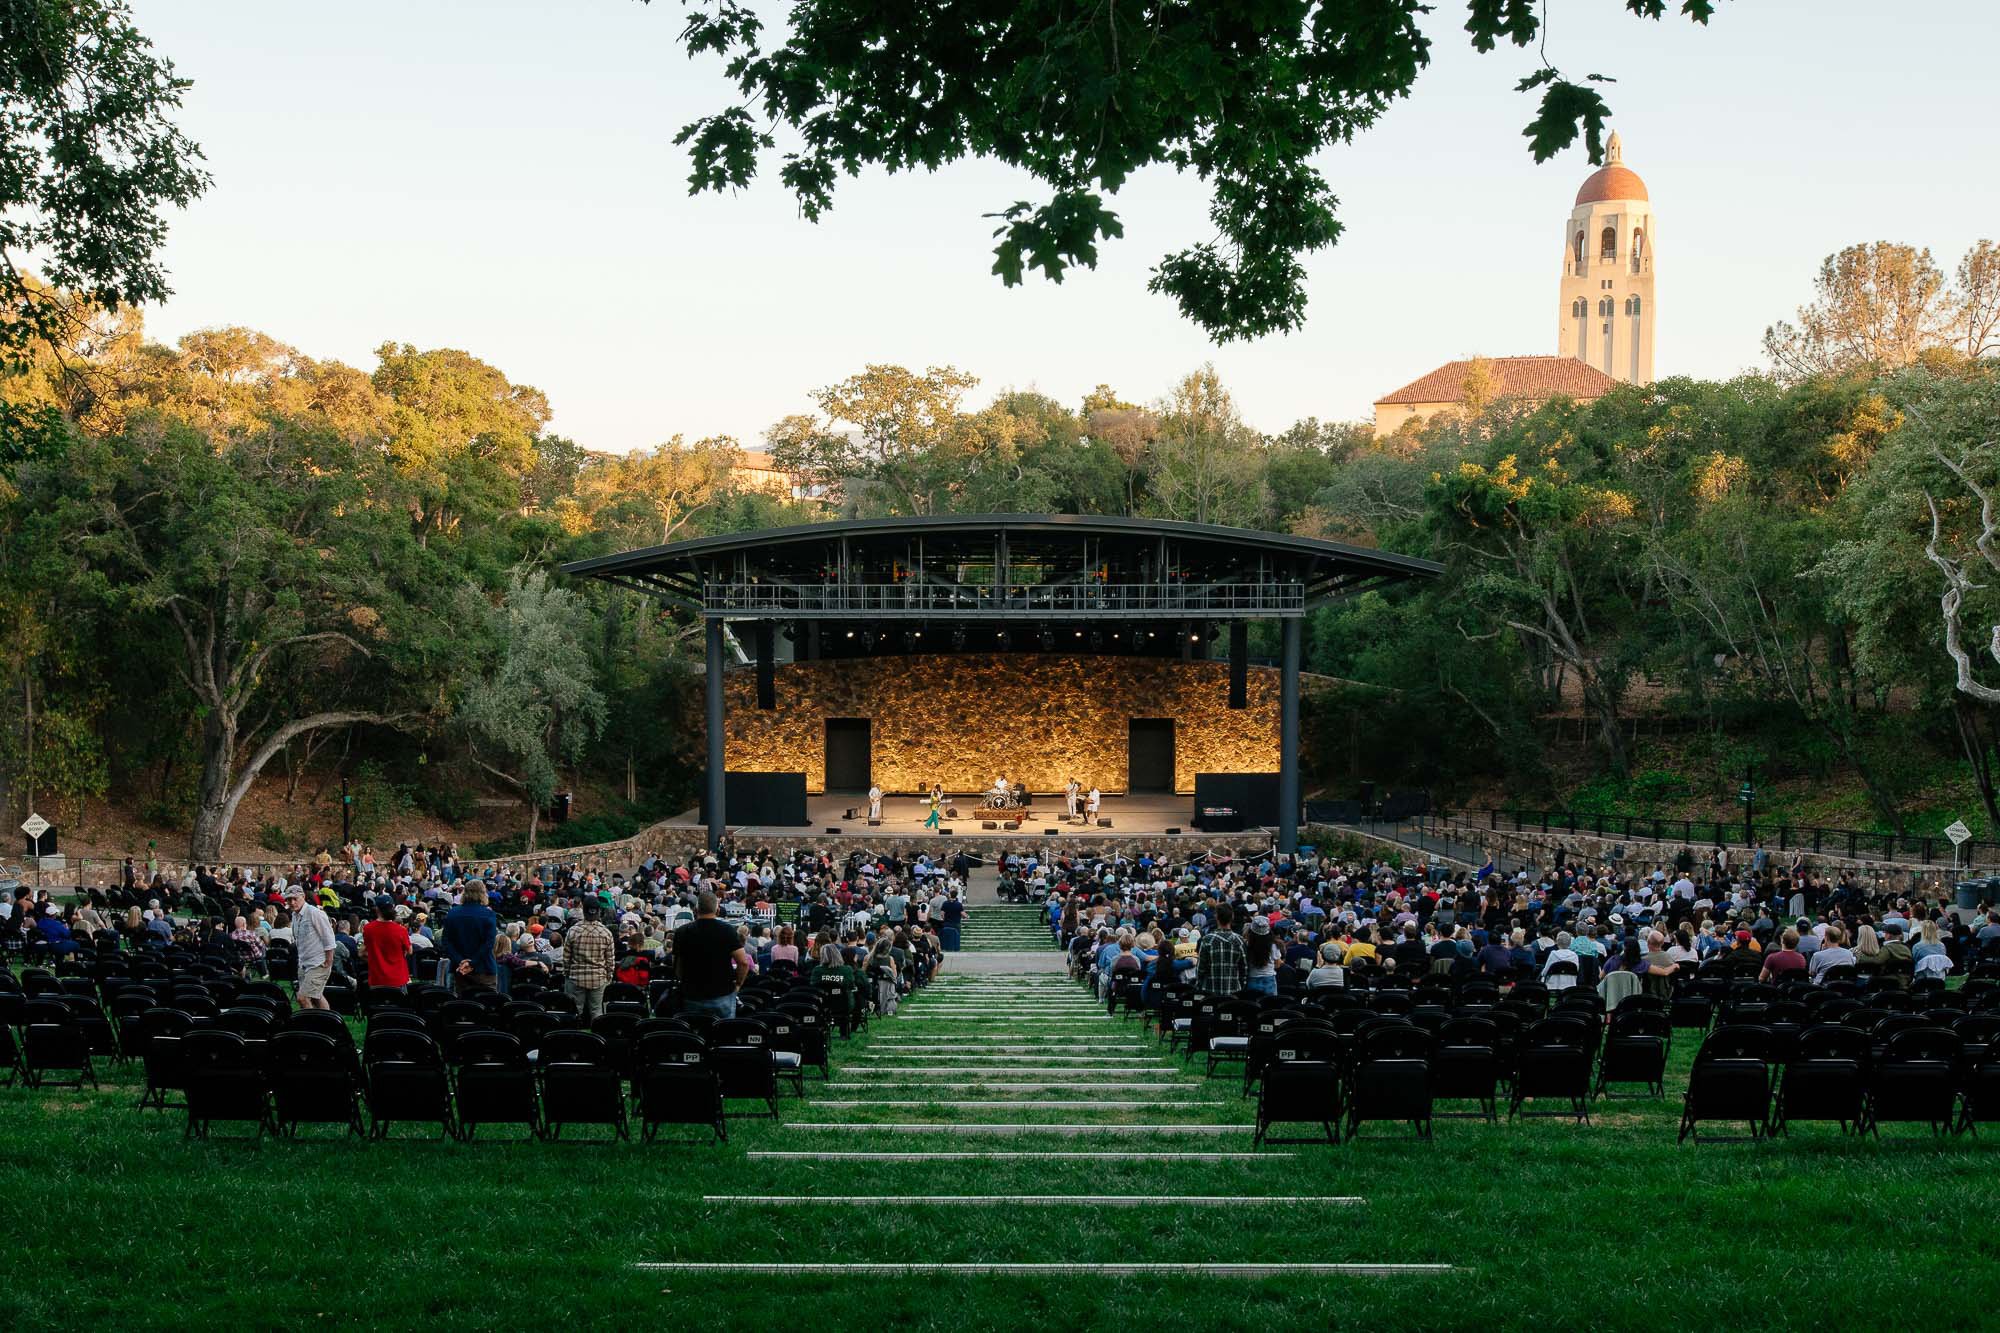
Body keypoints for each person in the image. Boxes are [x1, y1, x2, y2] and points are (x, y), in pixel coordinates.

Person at [675, 891, 752, 1019]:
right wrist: (738, 985)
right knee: (722, 1034)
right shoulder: (727, 930)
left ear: (696, 909)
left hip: (691, 993)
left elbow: (678, 965)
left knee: (694, 1034)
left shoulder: (682, 932)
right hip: (723, 993)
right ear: (717, 909)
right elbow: (743, 963)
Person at [443, 884, 501, 995]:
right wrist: (471, 963)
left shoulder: (452, 913)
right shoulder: (488, 914)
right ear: (483, 894)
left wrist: (461, 961)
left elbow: (446, 942)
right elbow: (489, 944)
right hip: (483, 968)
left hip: (460, 968)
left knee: (464, 1005)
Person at [562, 903, 617, 1021]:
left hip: (576, 977)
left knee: (575, 1011)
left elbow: (566, 957)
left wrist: (567, 973)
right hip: (598, 978)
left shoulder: (573, 931)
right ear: (598, 912)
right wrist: (608, 976)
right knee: (597, 1010)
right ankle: (597, 1036)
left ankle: (572, 1035)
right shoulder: (606, 933)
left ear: (584, 912)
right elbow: (610, 960)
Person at [287, 886, 337, 1011]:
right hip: (304, 963)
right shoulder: (294, 915)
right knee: (316, 996)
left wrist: (329, 960)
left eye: (295, 899)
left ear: (303, 897)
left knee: (302, 998)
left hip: (318, 963)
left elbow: (329, 937)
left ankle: (312, 1024)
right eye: (289, 900)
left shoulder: (315, 913)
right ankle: (329, 1023)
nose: (292, 902)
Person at [1196, 904, 1246, 995]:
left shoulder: (1207, 940)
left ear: (1216, 917)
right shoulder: (1240, 941)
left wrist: (1199, 984)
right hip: (1233, 991)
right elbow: (1244, 969)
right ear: (1232, 917)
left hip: (1210, 991)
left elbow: (1200, 969)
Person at [361, 898, 410, 989]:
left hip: (377, 978)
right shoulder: (401, 930)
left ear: (377, 909)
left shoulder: (368, 928)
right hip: (398, 978)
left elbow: (361, 953)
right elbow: (409, 950)